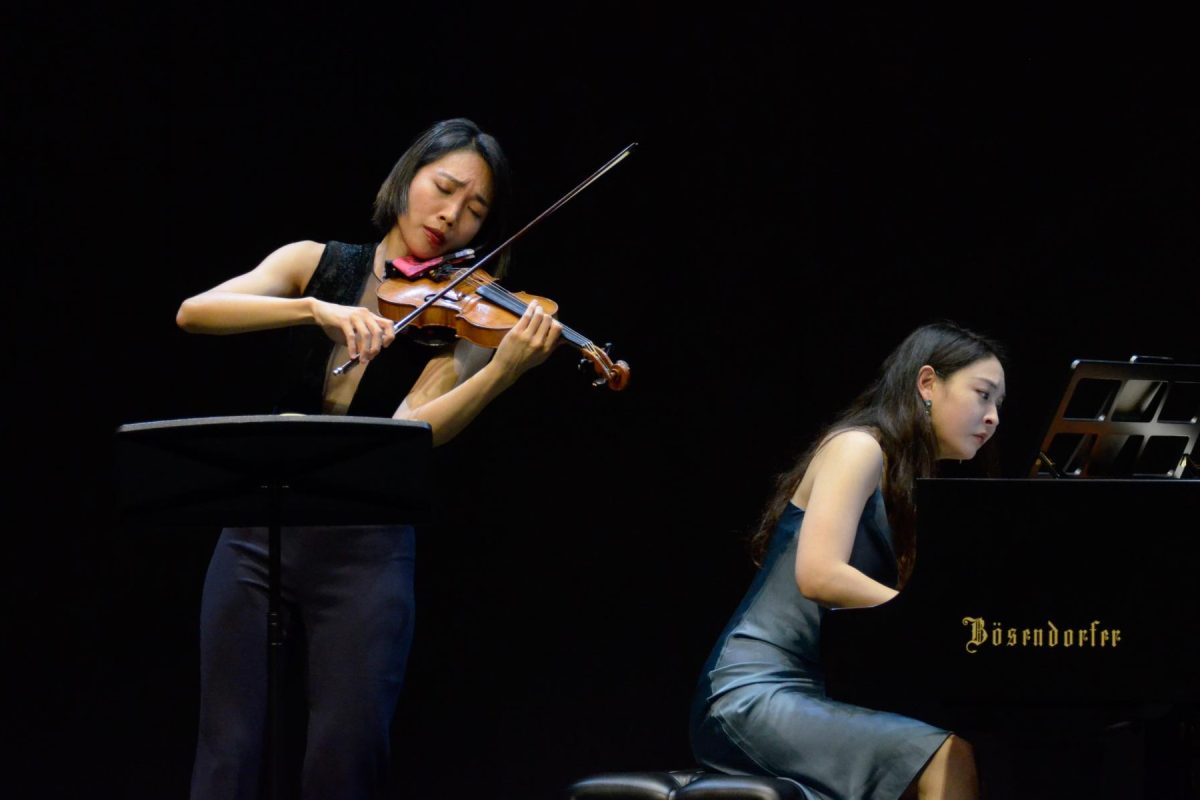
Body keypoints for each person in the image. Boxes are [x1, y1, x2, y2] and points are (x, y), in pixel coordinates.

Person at [176, 118, 562, 800]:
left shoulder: (460, 307)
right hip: (258, 530)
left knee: (346, 755)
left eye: (475, 211)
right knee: (228, 749)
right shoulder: (316, 262)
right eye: (444, 189)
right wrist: (313, 311)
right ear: (408, 177)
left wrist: (500, 374)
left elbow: (417, 429)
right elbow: (195, 312)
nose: (451, 217)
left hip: (367, 544)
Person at [689, 321, 1006, 800]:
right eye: (983, 395)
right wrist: (930, 618)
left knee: (959, 745)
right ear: (926, 384)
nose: (993, 416)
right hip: (749, 693)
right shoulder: (859, 447)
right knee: (947, 753)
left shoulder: (904, 482)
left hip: (812, 693)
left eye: (999, 403)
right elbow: (820, 574)